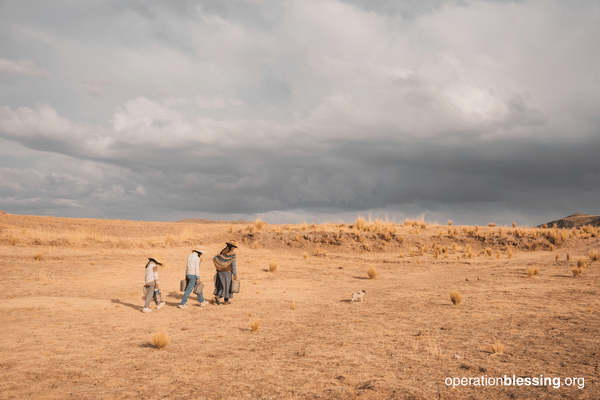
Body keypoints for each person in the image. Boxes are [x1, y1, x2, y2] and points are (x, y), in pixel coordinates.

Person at [213, 240, 238, 305]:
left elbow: (215, 258)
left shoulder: (222, 252)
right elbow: (233, 265)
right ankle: (220, 297)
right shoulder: (232, 254)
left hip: (220, 272)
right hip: (227, 272)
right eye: (233, 247)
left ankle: (224, 300)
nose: (233, 248)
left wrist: (218, 268)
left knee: (221, 285)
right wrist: (235, 274)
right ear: (232, 247)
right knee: (227, 286)